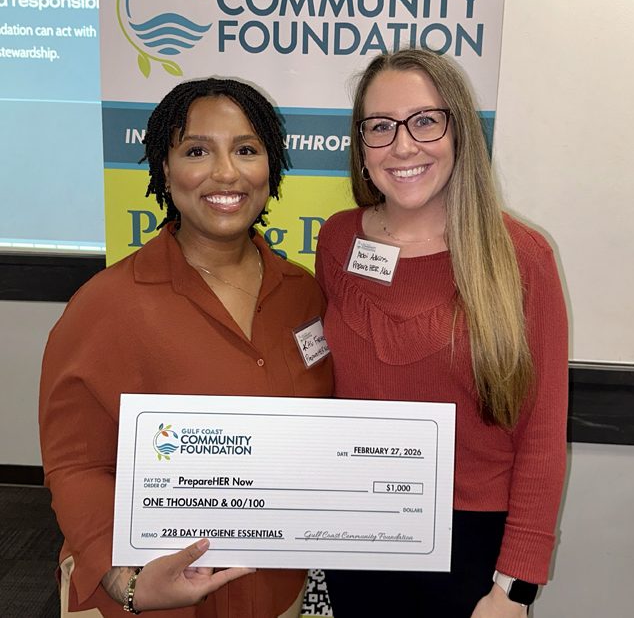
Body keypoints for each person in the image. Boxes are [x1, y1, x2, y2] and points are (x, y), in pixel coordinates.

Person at [40, 77, 333, 618]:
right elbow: (75, 464)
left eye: (246, 150)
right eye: (197, 151)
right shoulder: (104, 305)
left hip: (273, 592)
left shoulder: (304, 294)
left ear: (271, 168)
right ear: (166, 170)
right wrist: (127, 583)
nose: (226, 173)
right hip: (150, 596)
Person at [315, 48, 568, 618]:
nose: (403, 146)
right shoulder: (337, 241)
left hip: (473, 549)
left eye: (425, 121)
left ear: (459, 132)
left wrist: (514, 588)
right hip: (356, 533)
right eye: (381, 126)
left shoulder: (523, 257)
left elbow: (542, 437)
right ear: (361, 145)